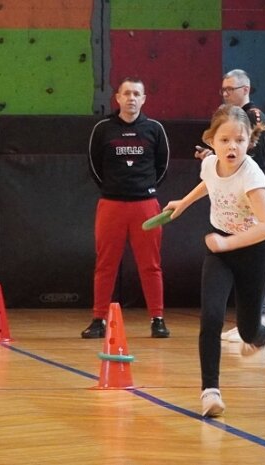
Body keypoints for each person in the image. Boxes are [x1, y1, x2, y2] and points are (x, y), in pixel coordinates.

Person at [164, 104, 265, 417]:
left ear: (249, 142)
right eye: (225, 140)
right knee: (211, 317)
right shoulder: (210, 164)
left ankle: (261, 332)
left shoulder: (251, 175)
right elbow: (210, 182)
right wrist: (184, 203)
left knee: (247, 332)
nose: (232, 146)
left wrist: (229, 242)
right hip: (220, 252)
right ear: (212, 140)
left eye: (240, 140)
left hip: (252, 253)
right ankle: (210, 392)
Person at [84, 77, 171, 339]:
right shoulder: (103, 129)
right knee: (105, 265)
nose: (132, 98)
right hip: (111, 205)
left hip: (146, 206)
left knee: (151, 265)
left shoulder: (155, 129)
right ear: (118, 98)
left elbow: (163, 166)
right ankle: (98, 320)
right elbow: (94, 165)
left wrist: (144, 188)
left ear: (143, 99)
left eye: (137, 94)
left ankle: (157, 319)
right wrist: (113, 188)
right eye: (127, 93)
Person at [196, 69, 265, 344]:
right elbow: (215, 178)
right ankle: (250, 325)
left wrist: (235, 162)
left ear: (246, 88)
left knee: (255, 258)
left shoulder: (253, 117)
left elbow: (252, 160)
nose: (226, 94)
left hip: (250, 201)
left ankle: (256, 321)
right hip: (231, 205)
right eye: (223, 90)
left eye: (231, 89)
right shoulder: (228, 126)